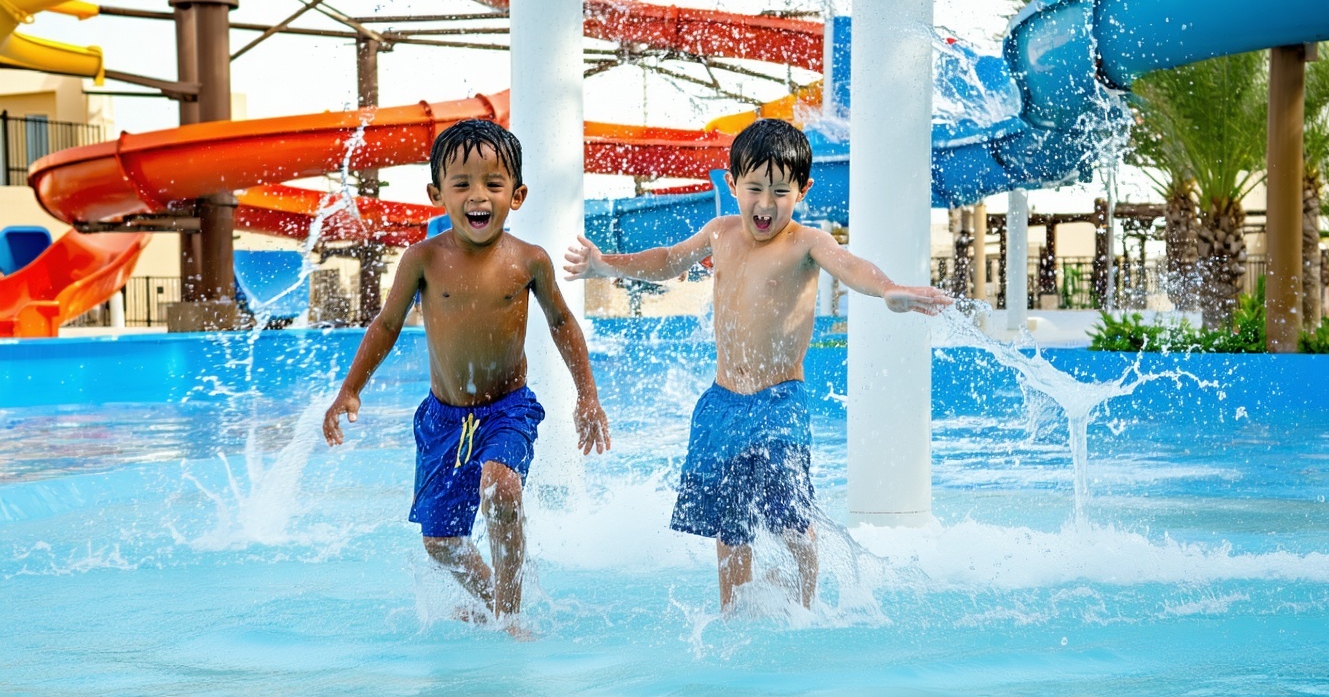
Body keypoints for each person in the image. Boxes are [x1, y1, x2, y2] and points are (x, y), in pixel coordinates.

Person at [563, 118, 951, 612]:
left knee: (789, 521)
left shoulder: (808, 243)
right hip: (721, 403)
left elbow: (851, 266)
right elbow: (668, 260)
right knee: (730, 526)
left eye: (780, 192)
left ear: (802, 191)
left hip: (778, 403)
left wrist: (889, 289)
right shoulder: (719, 232)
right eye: (754, 189)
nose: (765, 205)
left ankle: (805, 610)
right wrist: (605, 264)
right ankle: (733, 614)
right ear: (732, 184)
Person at [323, 119, 611, 634]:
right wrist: (351, 389)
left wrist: (586, 396)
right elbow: (387, 324)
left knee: (500, 489)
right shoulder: (423, 261)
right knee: (439, 543)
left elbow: (563, 323)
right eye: (462, 184)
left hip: (508, 408)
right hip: (444, 418)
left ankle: (509, 615)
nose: (478, 195)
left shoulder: (529, 260)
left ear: (516, 195)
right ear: (437, 194)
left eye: (493, 184)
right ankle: (489, 604)